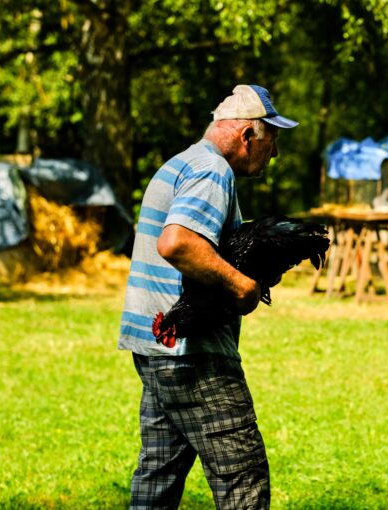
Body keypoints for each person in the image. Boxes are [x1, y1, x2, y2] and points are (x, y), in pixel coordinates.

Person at [118, 84, 298, 509]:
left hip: (155, 347)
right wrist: (241, 285)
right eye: (273, 140)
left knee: (158, 476)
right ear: (247, 136)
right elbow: (177, 242)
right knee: (242, 475)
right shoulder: (211, 170)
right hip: (192, 353)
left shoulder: (180, 163)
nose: (274, 153)